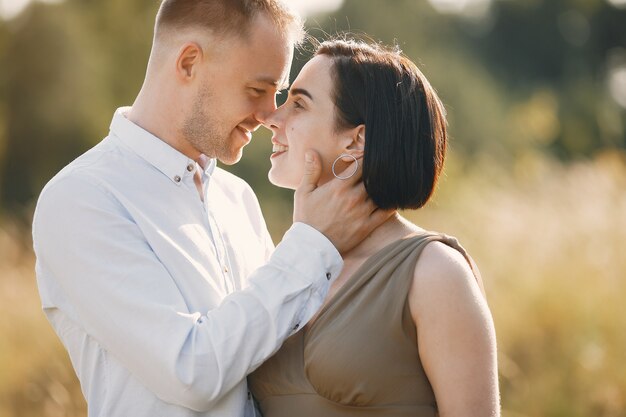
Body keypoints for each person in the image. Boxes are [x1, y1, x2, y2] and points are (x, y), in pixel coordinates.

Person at [31, 2, 390, 417]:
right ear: (188, 63)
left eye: (277, 93)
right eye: (257, 90)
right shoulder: (83, 200)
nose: (269, 115)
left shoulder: (238, 199)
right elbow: (191, 373)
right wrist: (311, 243)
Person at [248, 38, 500, 416]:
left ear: (357, 139)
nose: (272, 118)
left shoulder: (435, 274)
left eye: (298, 104)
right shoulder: (284, 262)